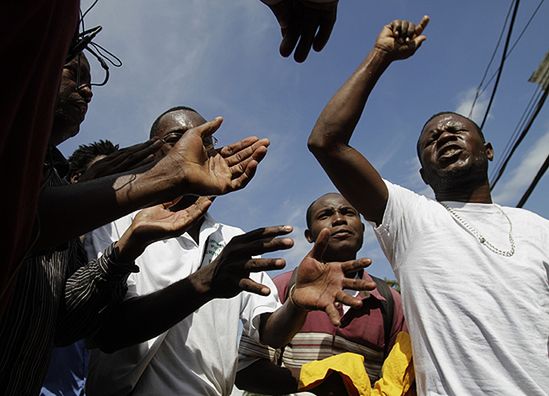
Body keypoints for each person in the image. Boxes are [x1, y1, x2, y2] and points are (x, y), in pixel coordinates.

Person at [0, 48, 271, 395]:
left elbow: (67, 323)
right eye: (74, 73)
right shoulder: (103, 215)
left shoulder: (226, 237)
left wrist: (126, 249)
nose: (88, 90)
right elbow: (106, 333)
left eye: (207, 140)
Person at [307, 16, 549, 395]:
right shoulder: (411, 218)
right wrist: (380, 56)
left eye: (456, 130)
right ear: (422, 174)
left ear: (487, 150)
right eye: (431, 140)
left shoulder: (538, 228)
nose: (444, 136)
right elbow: (327, 142)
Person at [84, 107, 376, 396]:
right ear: (152, 154)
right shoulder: (119, 225)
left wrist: (296, 303)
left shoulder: (233, 241)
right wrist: (204, 284)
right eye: (177, 137)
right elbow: (107, 331)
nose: (194, 146)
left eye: (206, 139)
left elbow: (271, 333)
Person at [235, 193, 406, 395]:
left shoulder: (390, 301)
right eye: (325, 214)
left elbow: (398, 379)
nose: (339, 219)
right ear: (309, 236)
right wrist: (320, 382)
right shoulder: (281, 287)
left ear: (361, 228)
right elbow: (245, 372)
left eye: (348, 212)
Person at [40, 139, 119, 396]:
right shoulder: (42, 244)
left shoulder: (109, 250)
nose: (113, 187)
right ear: (76, 178)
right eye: (106, 175)